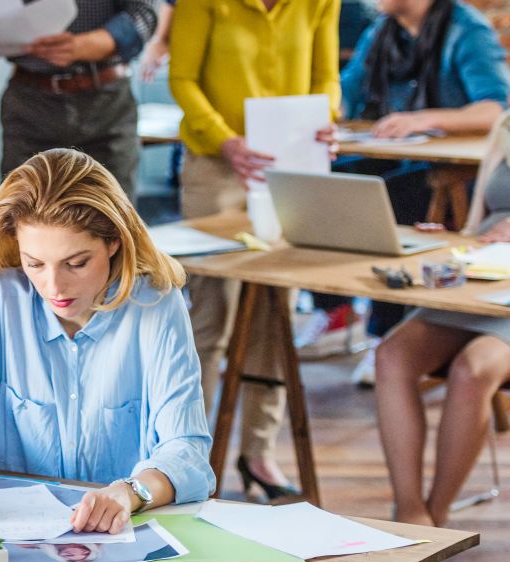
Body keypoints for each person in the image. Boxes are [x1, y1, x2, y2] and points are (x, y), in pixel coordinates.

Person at [0, 149, 214, 533]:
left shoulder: (156, 304)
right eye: (35, 264)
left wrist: (129, 493)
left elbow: (186, 450)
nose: (54, 287)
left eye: (76, 263)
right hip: (9, 538)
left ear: (114, 243)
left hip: (125, 537)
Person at [169, 0, 341, 501]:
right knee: (209, 315)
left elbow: (327, 77)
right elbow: (183, 80)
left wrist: (326, 117)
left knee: (275, 310)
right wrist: (226, 142)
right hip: (217, 168)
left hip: (288, 167)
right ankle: (186, 455)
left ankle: (258, 452)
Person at [334, 0, 510, 385]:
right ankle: (332, 305)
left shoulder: (467, 29)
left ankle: (383, 326)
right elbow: (345, 93)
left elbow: (496, 108)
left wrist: (425, 118)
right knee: (339, 179)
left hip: (456, 171)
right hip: (396, 155)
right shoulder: (381, 31)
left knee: (397, 194)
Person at [374, 112, 510, 528]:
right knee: (391, 356)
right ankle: (409, 510)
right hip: (484, 272)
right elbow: (484, 218)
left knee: (473, 370)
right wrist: (450, 236)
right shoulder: (505, 123)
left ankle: (438, 512)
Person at [0, 0, 158, 200]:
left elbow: (143, 13)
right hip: (30, 102)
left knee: (113, 212)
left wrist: (84, 45)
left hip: (106, 103)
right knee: (20, 211)